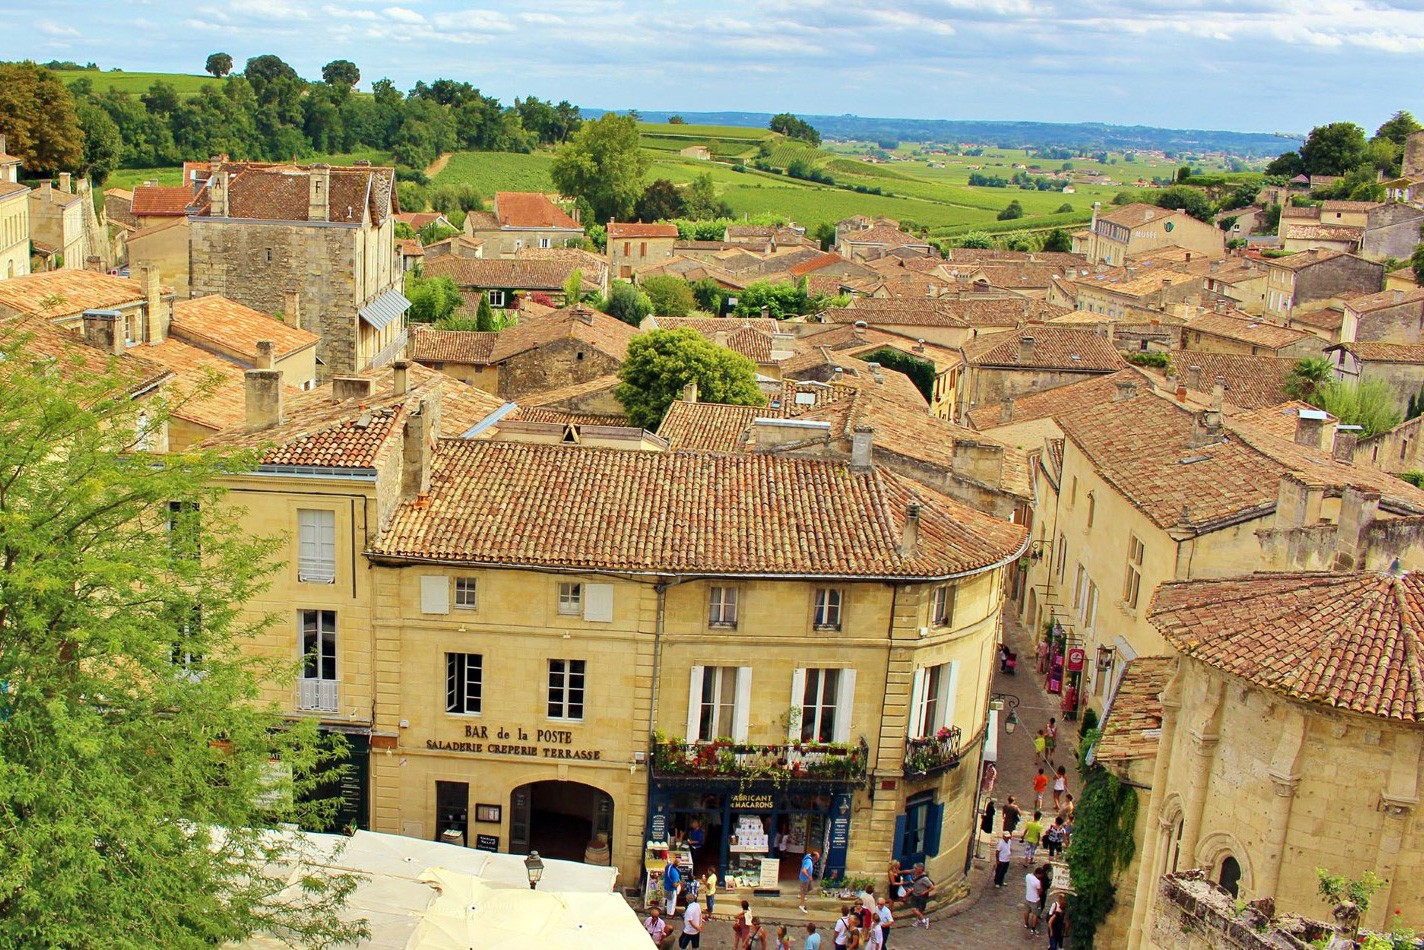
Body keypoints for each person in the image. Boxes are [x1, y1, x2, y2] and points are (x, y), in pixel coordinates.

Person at [908, 864, 934, 929]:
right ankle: (924, 921)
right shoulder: (914, 873)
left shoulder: (925, 878)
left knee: (920, 910)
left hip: (921, 896)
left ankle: (920, 921)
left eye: (916, 868)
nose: (915, 869)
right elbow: (907, 871)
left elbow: (932, 887)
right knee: (914, 909)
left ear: (920, 869)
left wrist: (924, 892)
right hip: (915, 894)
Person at [1023, 867, 1043, 934]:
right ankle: (1033, 928)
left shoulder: (1028, 876)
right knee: (1035, 914)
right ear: (1038, 874)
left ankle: (1026, 924)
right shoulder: (1037, 882)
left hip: (1028, 897)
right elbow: (1039, 892)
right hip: (1035, 899)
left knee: (1026, 911)